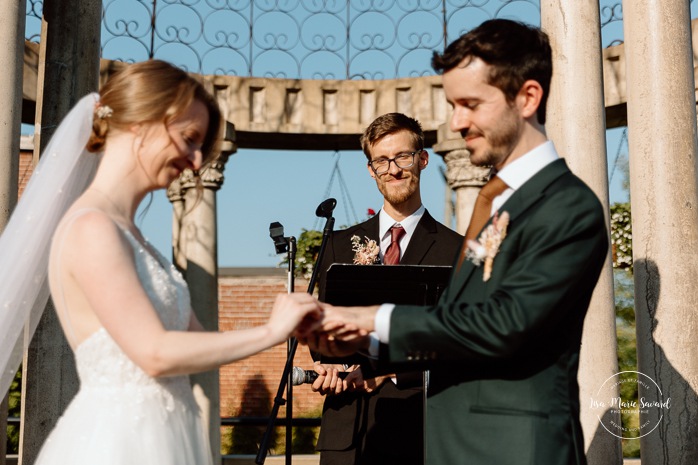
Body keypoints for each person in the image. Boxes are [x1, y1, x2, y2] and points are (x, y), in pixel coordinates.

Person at [305, 19, 609, 465]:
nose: (456, 122)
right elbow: (456, 323)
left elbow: (502, 325)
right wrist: (355, 341)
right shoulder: (499, 204)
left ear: (527, 98)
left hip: (515, 450)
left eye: (469, 104)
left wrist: (371, 318)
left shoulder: (567, 207)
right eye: (452, 105)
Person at [0, 60, 322, 465]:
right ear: (141, 122)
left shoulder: (136, 239)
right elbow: (153, 352)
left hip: (169, 437)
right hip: (118, 444)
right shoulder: (91, 228)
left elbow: (197, 343)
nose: (195, 160)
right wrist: (272, 331)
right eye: (189, 138)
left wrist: (301, 326)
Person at [310, 113, 462, 465]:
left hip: (420, 432)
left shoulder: (457, 250)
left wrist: (389, 371)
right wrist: (328, 365)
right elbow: (325, 328)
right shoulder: (338, 244)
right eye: (382, 160)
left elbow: (459, 341)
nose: (393, 169)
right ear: (371, 170)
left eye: (403, 157)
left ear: (422, 159)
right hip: (347, 432)